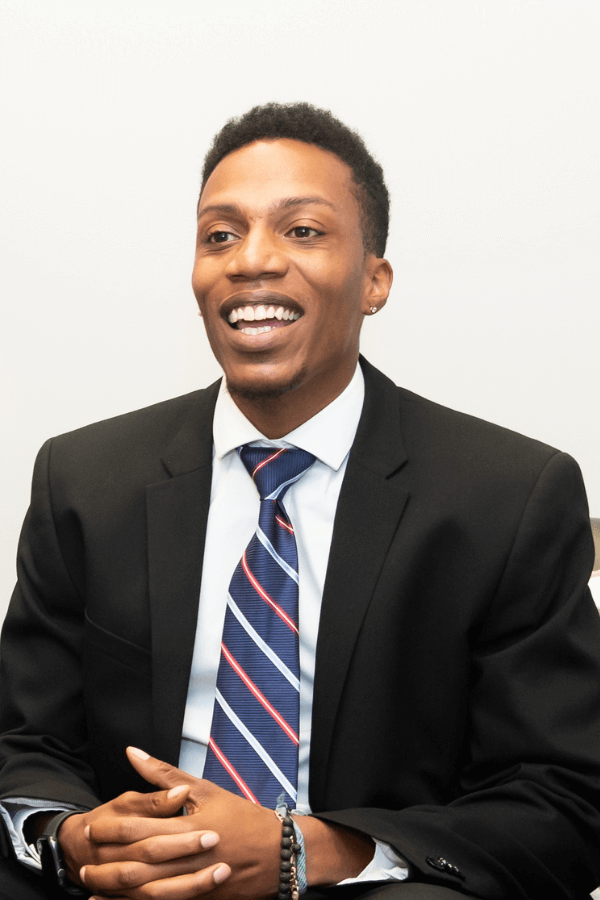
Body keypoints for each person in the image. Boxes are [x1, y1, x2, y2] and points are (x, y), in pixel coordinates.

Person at [1, 102, 599, 900]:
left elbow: (562, 799)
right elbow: (25, 738)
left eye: (303, 231)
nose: (251, 260)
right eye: (220, 234)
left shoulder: (510, 498)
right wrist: (73, 836)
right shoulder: (83, 479)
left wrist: (305, 849)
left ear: (374, 279)